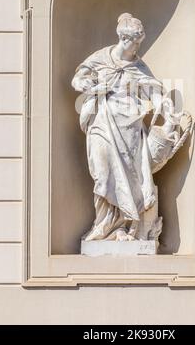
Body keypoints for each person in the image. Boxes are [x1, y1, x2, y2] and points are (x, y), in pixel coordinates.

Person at [72, 13, 172, 241]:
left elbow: (153, 91)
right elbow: (77, 79)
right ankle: (102, 224)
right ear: (124, 39)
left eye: (139, 44)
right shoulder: (101, 59)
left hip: (130, 130)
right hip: (101, 124)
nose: (137, 48)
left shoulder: (138, 66)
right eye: (135, 43)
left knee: (131, 180)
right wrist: (88, 85)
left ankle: (124, 227)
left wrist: (166, 111)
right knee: (103, 176)